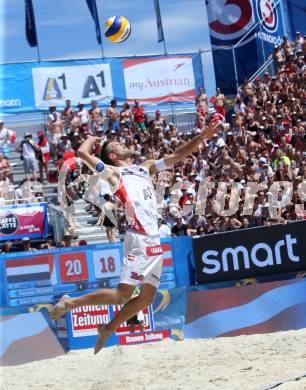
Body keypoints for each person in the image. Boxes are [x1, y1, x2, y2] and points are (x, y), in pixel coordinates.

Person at [50, 121, 217, 354]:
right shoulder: (112, 172)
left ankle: (108, 328)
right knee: (122, 296)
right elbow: (82, 153)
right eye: (117, 144)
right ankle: (71, 303)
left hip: (153, 238)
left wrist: (200, 138)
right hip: (139, 237)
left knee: (146, 298)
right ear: (112, 154)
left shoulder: (145, 167)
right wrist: (92, 136)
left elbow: (178, 154)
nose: (122, 143)